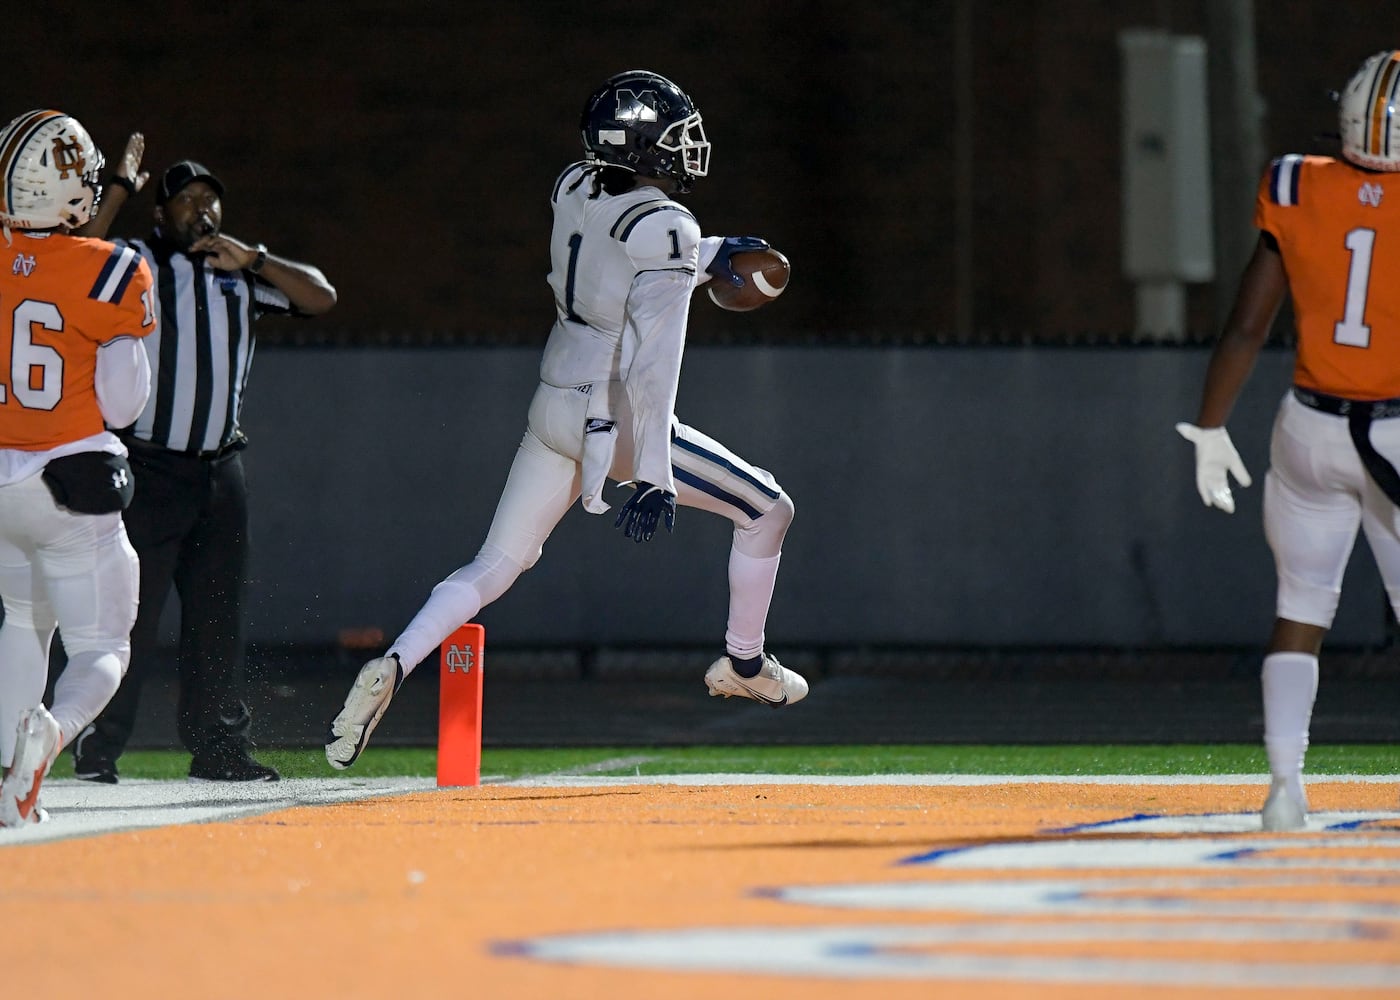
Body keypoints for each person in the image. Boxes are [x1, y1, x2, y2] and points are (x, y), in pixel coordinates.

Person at [325, 69, 807, 770]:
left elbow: (619, 259)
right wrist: (655, 474)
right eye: (675, 137)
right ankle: (744, 660)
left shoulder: (573, 184)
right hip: (610, 410)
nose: (688, 147)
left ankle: (397, 661)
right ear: (643, 146)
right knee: (768, 507)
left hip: (553, 399)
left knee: (493, 563)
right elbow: (654, 363)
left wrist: (706, 257)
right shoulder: (668, 224)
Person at [1176, 50, 1400, 831]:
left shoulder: (1297, 184)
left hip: (1309, 426)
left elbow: (1246, 325)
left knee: (1300, 607)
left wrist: (1209, 427)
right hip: (1397, 430)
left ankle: (1283, 787)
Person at [71, 145, 337, 783]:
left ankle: (219, 750)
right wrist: (114, 193)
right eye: (188, 199)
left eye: (211, 198)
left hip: (220, 472)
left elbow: (322, 296)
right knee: (129, 612)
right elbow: (75, 264)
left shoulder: (239, 274)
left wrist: (258, 257)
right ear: (162, 214)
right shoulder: (138, 261)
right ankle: (97, 748)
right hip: (150, 464)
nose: (204, 208)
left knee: (218, 618)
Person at [0, 110, 155, 824]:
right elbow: (123, 405)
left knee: (22, 620)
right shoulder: (115, 269)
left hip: (2, 484)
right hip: (71, 483)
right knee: (101, 648)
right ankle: (51, 736)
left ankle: (6, 777)